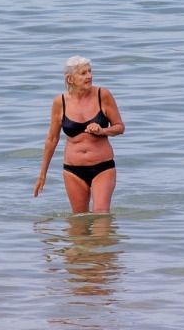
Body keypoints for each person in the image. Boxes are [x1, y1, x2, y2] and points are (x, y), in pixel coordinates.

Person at [34, 56, 125, 213]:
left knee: (101, 214)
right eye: (83, 73)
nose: (89, 76)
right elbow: (52, 139)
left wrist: (102, 131)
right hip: (73, 170)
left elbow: (120, 127)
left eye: (90, 71)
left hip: (102, 167)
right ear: (70, 79)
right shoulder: (60, 102)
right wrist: (43, 175)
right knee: (79, 221)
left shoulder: (103, 95)